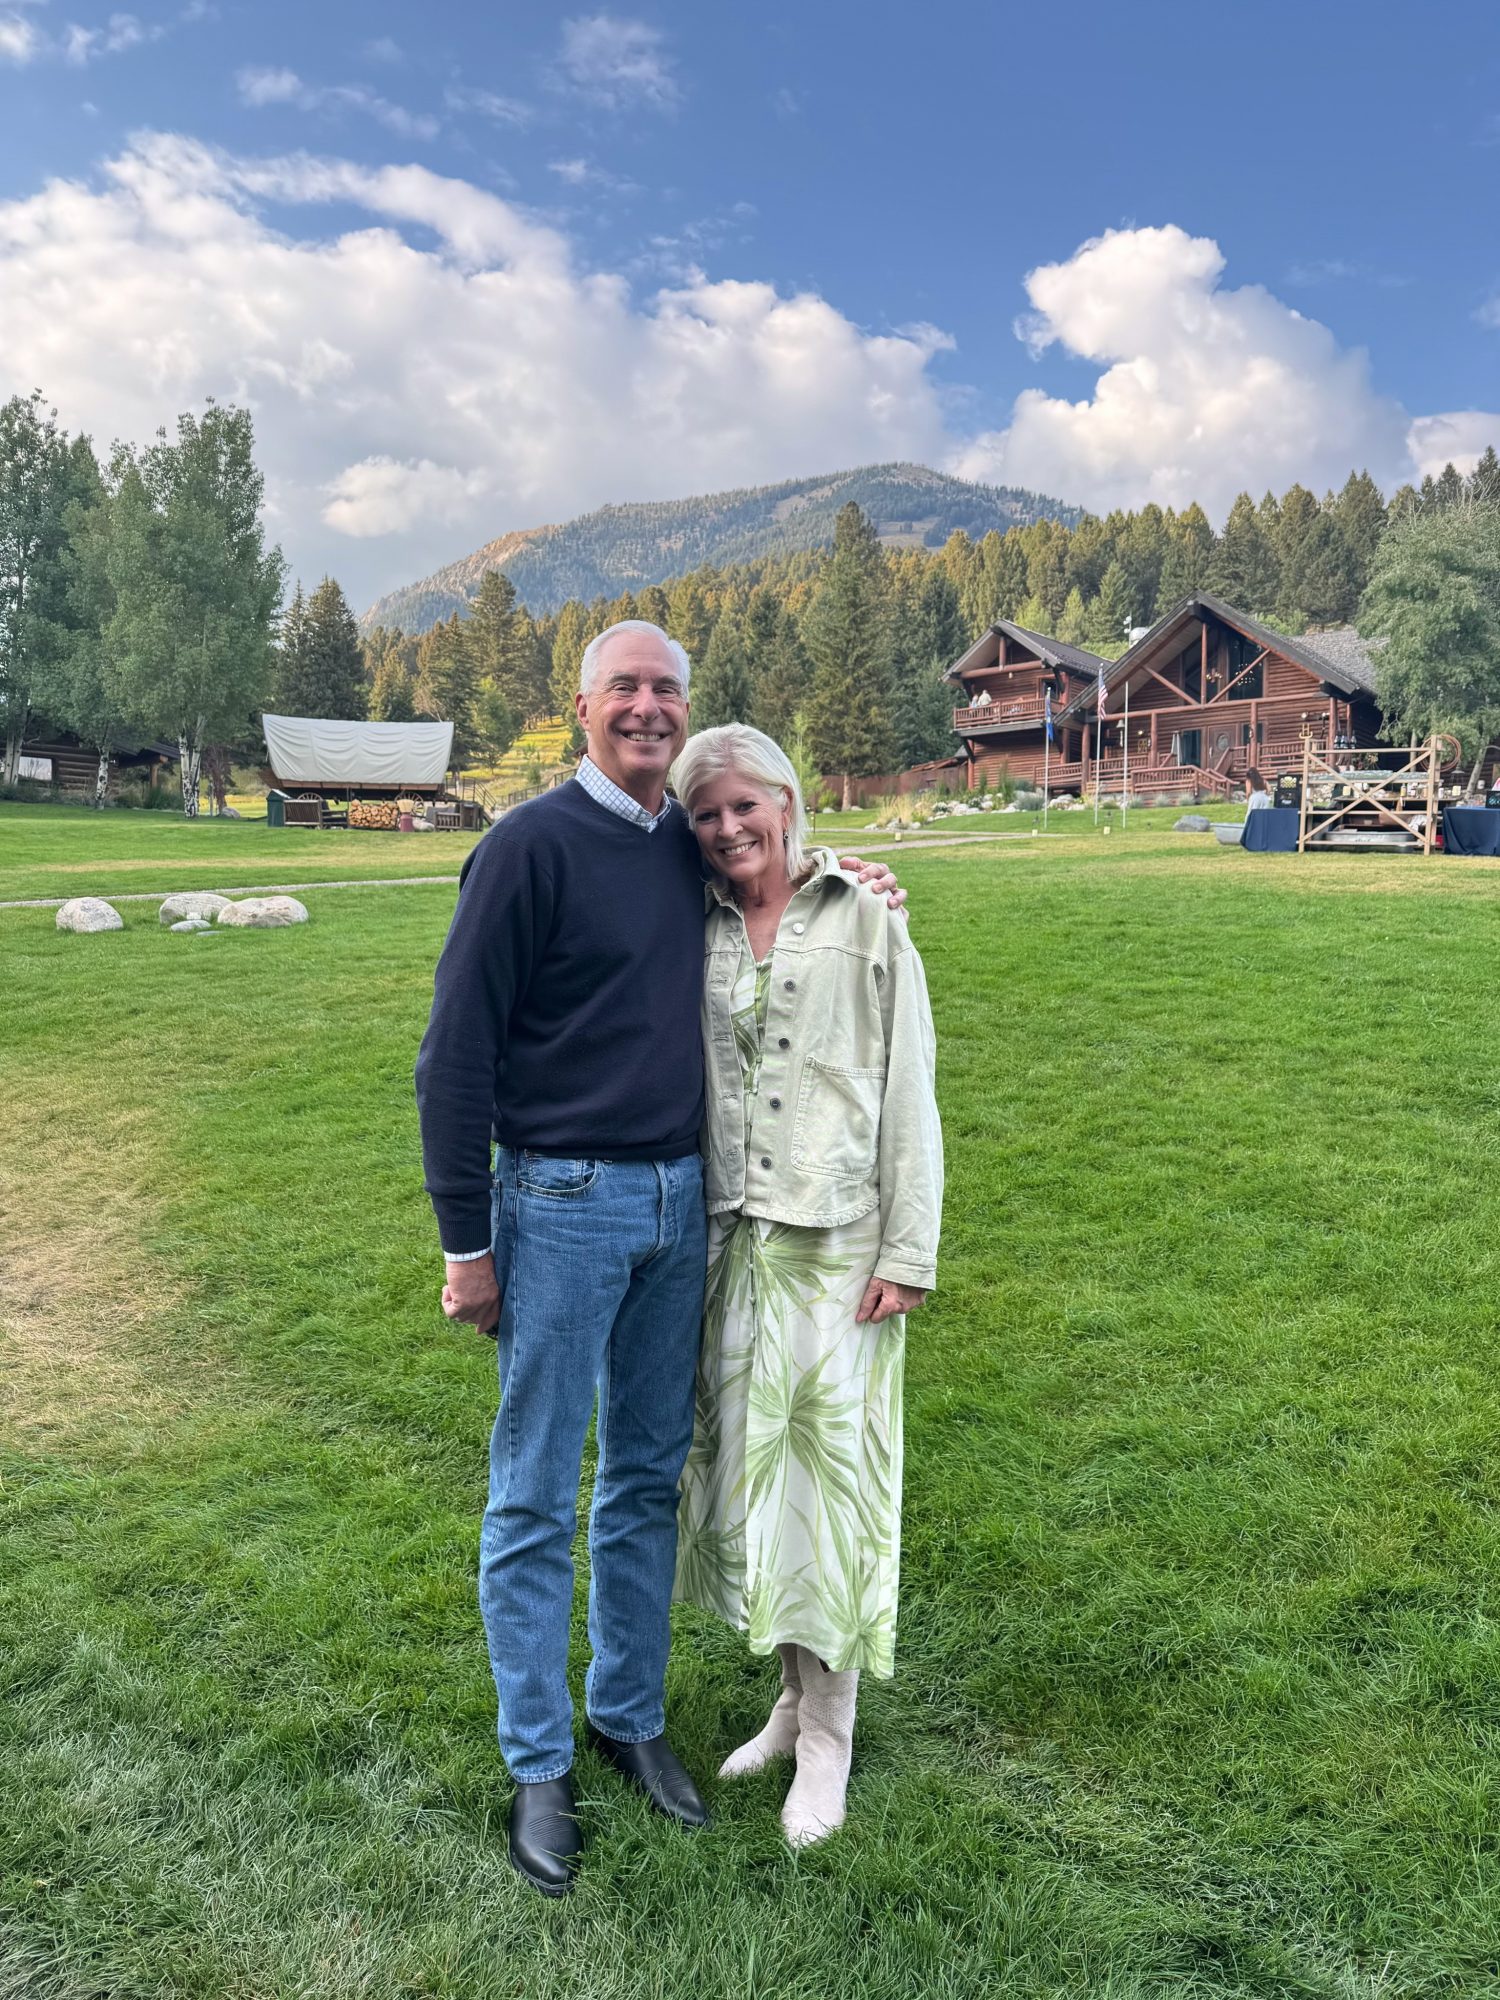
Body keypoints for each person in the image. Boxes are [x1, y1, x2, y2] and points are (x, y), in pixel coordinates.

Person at [414, 623, 903, 1898]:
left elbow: (773, 877)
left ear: (686, 709)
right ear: (580, 705)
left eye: (666, 688)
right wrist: (468, 1244)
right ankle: (538, 1760)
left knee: (642, 1476)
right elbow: (452, 1056)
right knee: (533, 1488)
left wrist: (855, 874)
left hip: (685, 1203)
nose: (646, 706)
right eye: (623, 686)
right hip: (559, 1202)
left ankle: (625, 1715)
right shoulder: (527, 847)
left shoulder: (681, 849)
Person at [670, 723, 943, 1847]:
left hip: (837, 1248)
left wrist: (907, 1251)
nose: (729, 827)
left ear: (787, 800)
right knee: (758, 1487)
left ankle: (831, 1735)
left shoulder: (867, 917)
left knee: (831, 1497)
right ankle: (790, 1702)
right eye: (706, 812)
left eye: (746, 804)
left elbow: (909, 1082)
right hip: (733, 1243)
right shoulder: (694, 924)